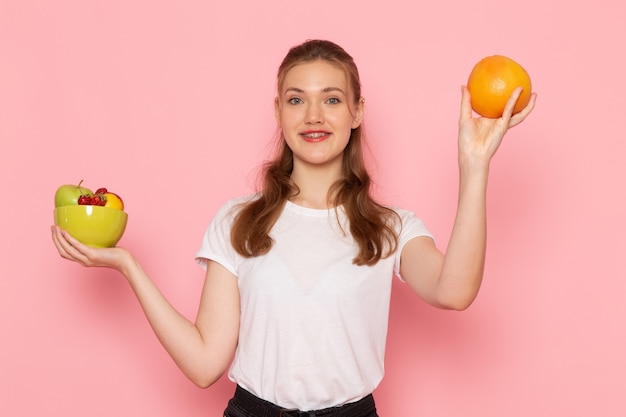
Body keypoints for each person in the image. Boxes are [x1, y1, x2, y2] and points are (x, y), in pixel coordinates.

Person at [51, 39, 536, 417]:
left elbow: (454, 291)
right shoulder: (238, 220)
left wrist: (474, 167)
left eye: (331, 99)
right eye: (296, 99)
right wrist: (128, 265)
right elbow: (204, 366)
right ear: (278, 112)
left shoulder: (388, 227)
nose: (313, 115)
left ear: (356, 112)